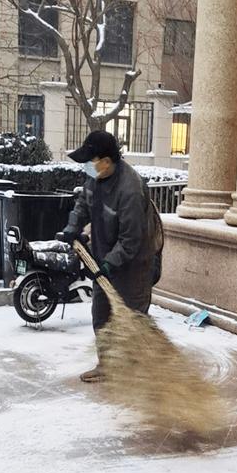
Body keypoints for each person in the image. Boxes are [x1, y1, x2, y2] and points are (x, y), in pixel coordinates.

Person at [56, 130, 155, 382]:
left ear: (107, 161)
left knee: (133, 318)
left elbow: (131, 240)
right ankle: (107, 366)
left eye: (91, 161)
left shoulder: (130, 190)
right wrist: (72, 227)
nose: (87, 166)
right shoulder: (96, 178)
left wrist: (110, 263)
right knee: (101, 313)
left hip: (133, 266)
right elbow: (83, 204)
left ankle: (140, 373)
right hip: (103, 260)